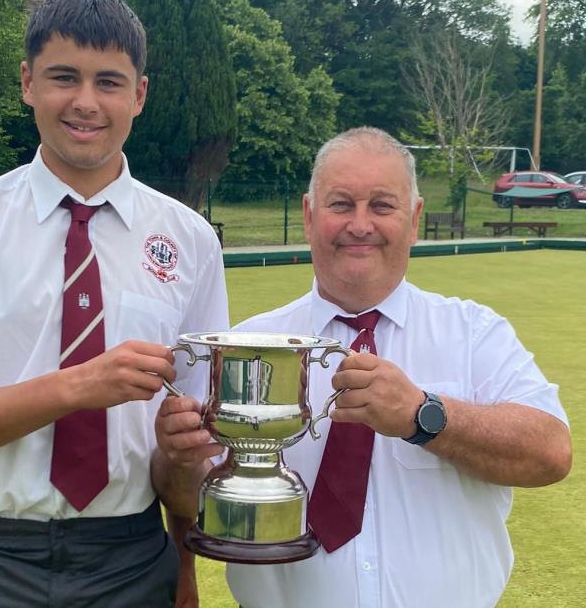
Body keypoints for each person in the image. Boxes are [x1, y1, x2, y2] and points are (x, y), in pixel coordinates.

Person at [0, 0, 228, 608]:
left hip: (132, 558)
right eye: (64, 77)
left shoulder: (190, 240)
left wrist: (185, 567)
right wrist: (82, 386)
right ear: (27, 82)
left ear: (139, 95)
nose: (86, 102)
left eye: (109, 82)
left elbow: (187, 438)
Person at [155, 127, 572, 608]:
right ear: (310, 216)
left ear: (413, 219)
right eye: (340, 204)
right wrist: (178, 457)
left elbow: (550, 452)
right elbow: (187, 500)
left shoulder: (475, 333)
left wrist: (423, 415)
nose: (360, 224)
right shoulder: (249, 344)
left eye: (381, 205)